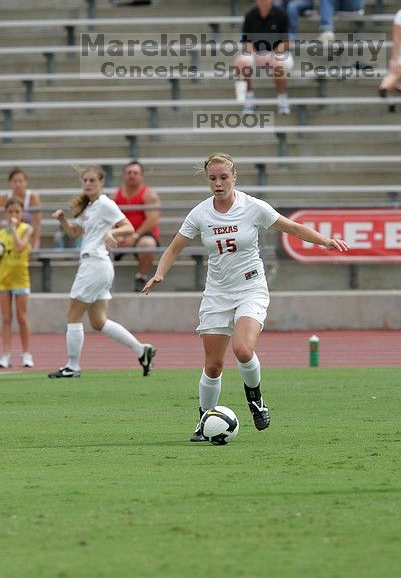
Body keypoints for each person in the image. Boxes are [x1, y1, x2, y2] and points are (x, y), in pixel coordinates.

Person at [142, 152, 348, 441]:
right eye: (213, 178)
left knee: (242, 349)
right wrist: (160, 273)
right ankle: (204, 421)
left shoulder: (252, 207)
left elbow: (292, 227)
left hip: (251, 289)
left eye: (224, 177)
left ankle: (256, 401)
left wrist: (324, 241)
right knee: (213, 366)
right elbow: (174, 247)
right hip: (217, 293)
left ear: (234, 177)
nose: (218, 183)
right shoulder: (200, 213)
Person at [48, 165, 156, 379]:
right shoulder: (89, 207)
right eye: (85, 181)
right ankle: (141, 350)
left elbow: (128, 228)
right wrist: (62, 220)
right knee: (98, 321)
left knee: (73, 314)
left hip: (94, 264)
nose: (88, 184)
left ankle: (73, 366)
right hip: (98, 265)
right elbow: (75, 231)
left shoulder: (106, 203)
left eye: (92, 180)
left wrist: (111, 232)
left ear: (101, 182)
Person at [233, 0, 293, 114]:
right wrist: (257, 55)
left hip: (278, 53)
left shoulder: (281, 14)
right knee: (241, 62)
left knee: (278, 62)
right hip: (257, 54)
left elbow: (287, 42)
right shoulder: (250, 16)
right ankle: (249, 97)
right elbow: (247, 42)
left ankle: (282, 97)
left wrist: (270, 54)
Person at [113, 160, 161, 292]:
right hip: (121, 235)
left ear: (142, 176)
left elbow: (152, 220)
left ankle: (141, 276)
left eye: (135, 173)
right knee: (101, 242)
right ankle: (101, 279)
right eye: (129, 173)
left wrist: (134, 236)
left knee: (147, 244)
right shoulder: (115, 195)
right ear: (124, 175)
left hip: (142, 235)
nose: (132, 175)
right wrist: (115, 234)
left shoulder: (149, 194)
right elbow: (109, 219)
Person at [0, 197, 34, 369]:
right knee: (6, 319)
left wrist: (13, 229)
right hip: (4, 281)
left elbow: (20, 247)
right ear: (6, 213)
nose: (13, 215)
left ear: (22, 213)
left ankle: (26, 354)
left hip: (21, 280)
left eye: (17, 212)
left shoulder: (26, 229)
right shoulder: (1, 233)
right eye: (10, 211)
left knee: (22, 317)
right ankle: (5, 354)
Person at [0, 167, 42, 249]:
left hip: (27, 236)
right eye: (15, 181)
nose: (18, 184)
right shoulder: (4, 198)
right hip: (8, 236)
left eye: (21, 181)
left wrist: (35, 245)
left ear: (26, 182)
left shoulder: (32, 197)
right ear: (10, 182)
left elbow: (37, 224)